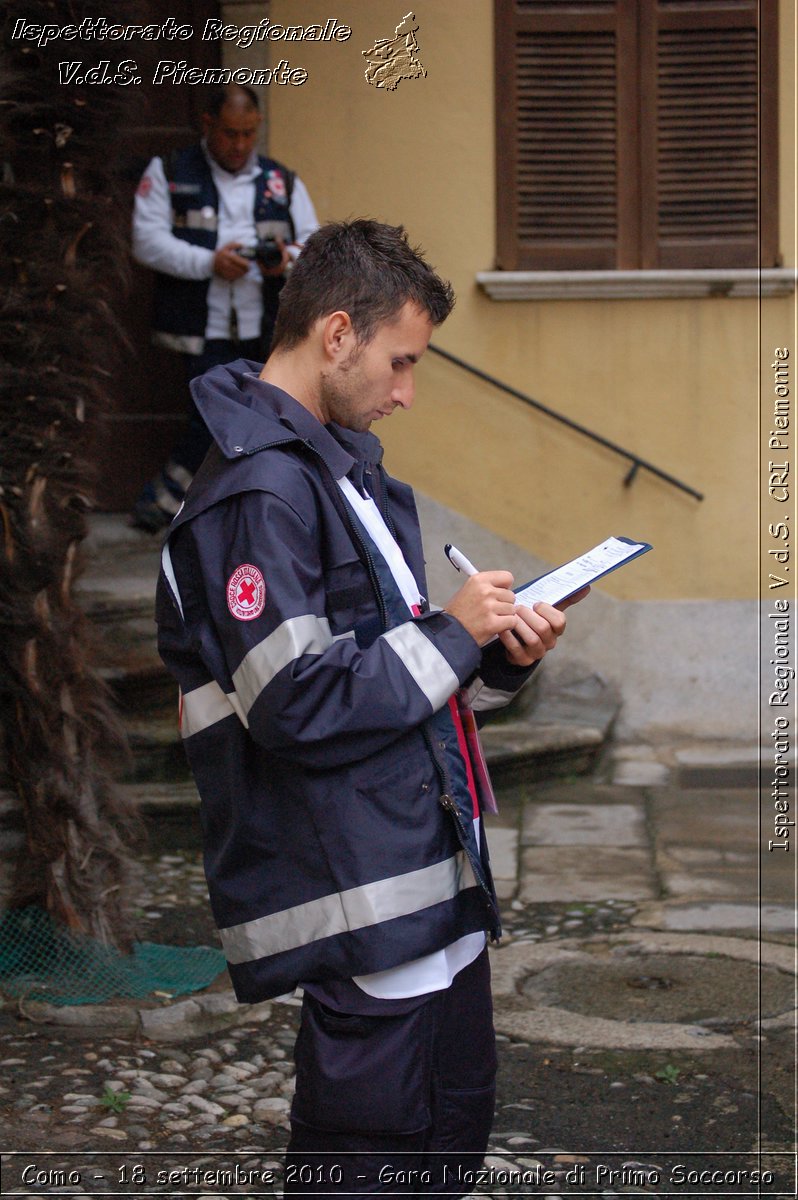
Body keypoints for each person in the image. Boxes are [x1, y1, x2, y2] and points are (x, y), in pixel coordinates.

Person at [155, 220, 586, 1194]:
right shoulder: (255, 492)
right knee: (365, 1161)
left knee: (447, 1138)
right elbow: (295, 702)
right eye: (400, 363)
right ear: (336, 333)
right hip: (364, 889)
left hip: (429, 876)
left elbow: (397, 688)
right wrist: (450, 633)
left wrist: (498, 656)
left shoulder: (342, 471)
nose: (406, 393)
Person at [130, 83, 318, 531]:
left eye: (250, 134)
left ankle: (198, 509)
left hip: (264, 326)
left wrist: (285, 261)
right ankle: (161, 505)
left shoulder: (281, 180)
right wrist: (209, 262)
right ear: (208, 124)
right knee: (208, 423)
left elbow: (313, 242)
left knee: (249, 423)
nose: (240, 145)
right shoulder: (171, 169)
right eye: (231, 134)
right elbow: (146, 241)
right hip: (200, 325)